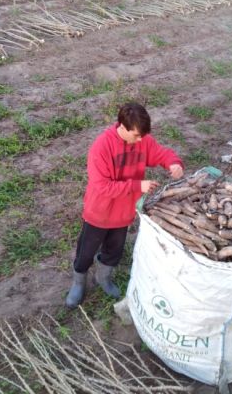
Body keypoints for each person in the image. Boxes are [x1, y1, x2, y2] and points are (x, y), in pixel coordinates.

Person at [65, 102, 184, 308]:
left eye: (142, 136)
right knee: (86, 252)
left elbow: (160, 152)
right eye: (136, 135)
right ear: (123, 126)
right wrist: (138, 185)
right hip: (99, 213)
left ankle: (103, 278)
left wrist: (174, 163)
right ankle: (78, 283)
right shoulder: (101, 147)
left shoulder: (142, 141)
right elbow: (102, 186)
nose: (141, 140)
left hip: (123, 213)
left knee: (114, 250)